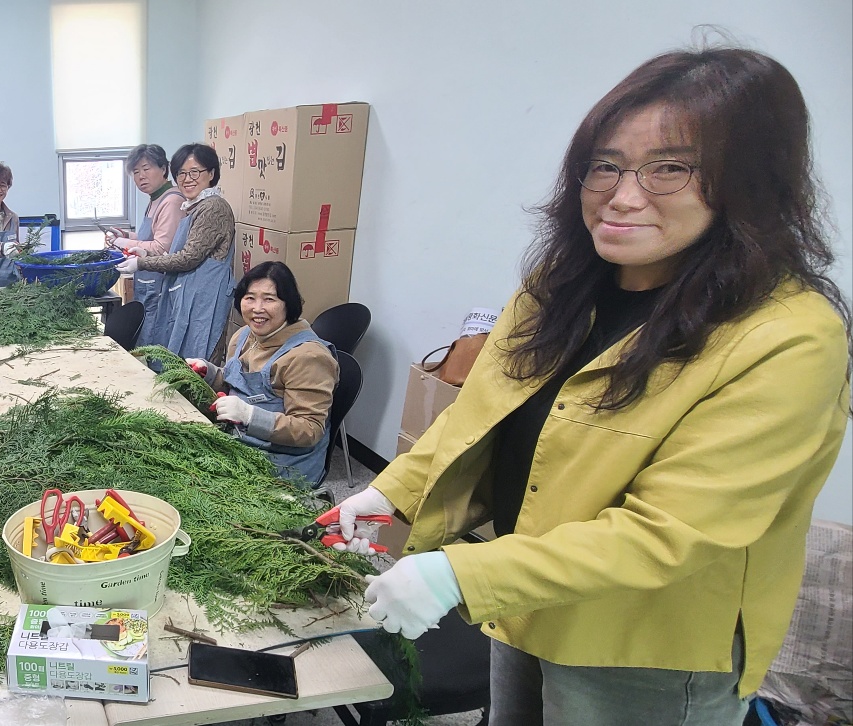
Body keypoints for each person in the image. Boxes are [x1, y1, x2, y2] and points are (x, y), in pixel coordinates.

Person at [328, 48, 850, 726]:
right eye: (605, 165)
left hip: (646, 648)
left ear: (751, 183)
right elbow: (479, 416)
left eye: (670, 168)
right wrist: (388, 491)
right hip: (529, 596)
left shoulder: (787, 337)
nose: (622, 196)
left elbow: (671, 531)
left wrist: (463, 574)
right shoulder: (558, 290)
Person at [188, 262, 339, 485]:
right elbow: (235, 383)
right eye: (250, 298)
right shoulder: (244, 336)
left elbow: (309, 430)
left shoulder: (308, 357)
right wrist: (208, 373)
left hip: (281, 466)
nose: (257, 308)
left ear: (289, 304)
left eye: (269, 299)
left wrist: (250, 415)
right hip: (240, 443)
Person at [121, 143, 235, 360]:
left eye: (195, 172)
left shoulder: (213, 207)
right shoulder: (194, 206)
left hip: (205, 299)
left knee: (198, 361)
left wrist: (142, 262)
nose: (187, 179)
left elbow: (188, 258)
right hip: (190, 296)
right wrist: (147, 254)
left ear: (211, 174)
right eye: (181, 173)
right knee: (180, 359)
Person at [107, 144, 185, 314]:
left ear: (163, 169)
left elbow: (161, 248)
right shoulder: (155, 198)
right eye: (136, 172)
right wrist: (126, 235)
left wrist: (122, 242)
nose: (141, 176)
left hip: (160, 286)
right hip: (147, 283)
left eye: (146, 169)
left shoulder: (171, 201)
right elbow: (149, 236)